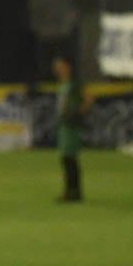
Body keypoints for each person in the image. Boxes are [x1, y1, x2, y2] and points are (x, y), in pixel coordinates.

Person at [52, 53, 88, 202]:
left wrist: (78, 112)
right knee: (66, 158)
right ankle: (70, 190)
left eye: (61, 66)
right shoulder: (64, 84)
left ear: (68, 67)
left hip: (72, 125)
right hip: (64, 125)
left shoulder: (74, 84)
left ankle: (74, 192)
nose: (58, 70)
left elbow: (88, 97)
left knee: (70, 158)